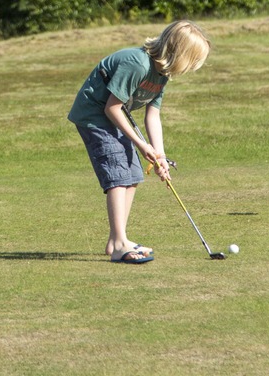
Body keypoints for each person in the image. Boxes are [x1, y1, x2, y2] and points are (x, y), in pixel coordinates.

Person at [67, 20, 211, 264]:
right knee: (117, 173)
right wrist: (142, 145)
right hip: (94, 115)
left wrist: (160, 155)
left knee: (133, 173)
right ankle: (120, 244)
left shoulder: (162, 75)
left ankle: (115, 240)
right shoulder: (137, 64)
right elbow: (112, 107)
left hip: (114, 116)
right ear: (179, 54)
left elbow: (152, 115)